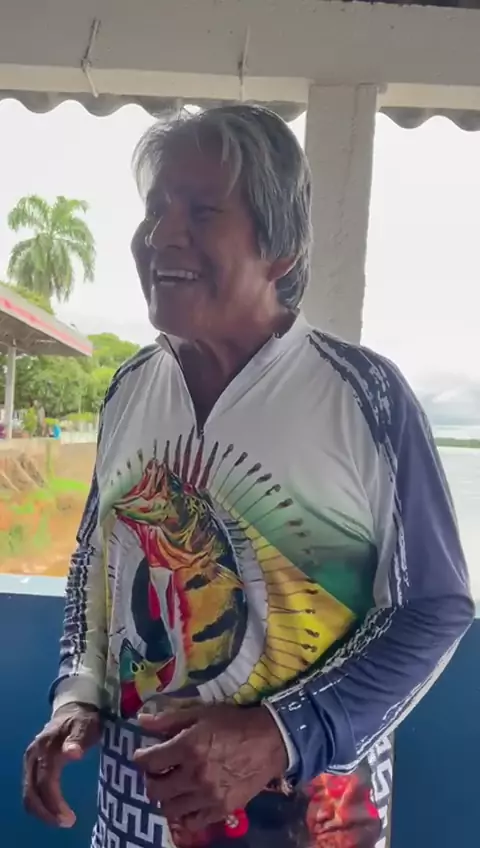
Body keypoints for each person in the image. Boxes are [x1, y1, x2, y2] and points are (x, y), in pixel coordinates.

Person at [23, 104, 474, 848]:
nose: (161, 235)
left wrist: (279, 732)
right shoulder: (130, 389)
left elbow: (432, 607)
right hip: (133, 822)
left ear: (281, 250)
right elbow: (92, 564)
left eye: (201, 211)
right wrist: (77, 693)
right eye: (155, 209)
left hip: (310, 825)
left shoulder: (363, 397)